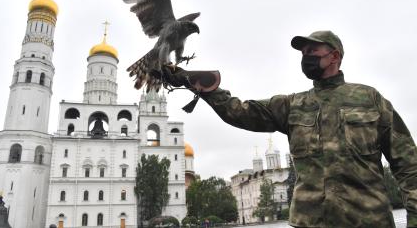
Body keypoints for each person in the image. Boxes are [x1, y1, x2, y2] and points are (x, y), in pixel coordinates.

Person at [162, 30, 417, 228]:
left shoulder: (370, 99)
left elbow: (408, 165)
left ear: (335, 56)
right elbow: (239, 111)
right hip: (309, 223)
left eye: (312, 51)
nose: (306, 57)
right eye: (303, 53)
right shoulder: (293, 105)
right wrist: (196, 82)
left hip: (368, 222)